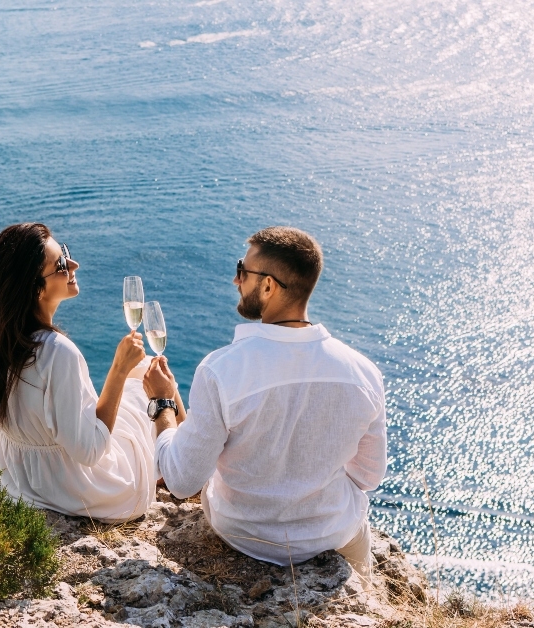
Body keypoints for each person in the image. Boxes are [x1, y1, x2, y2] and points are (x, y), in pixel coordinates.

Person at [0, 188, 168, 522]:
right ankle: (179, 471)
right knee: (151, 375)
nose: (74, 264)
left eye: (65, 253)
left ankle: (176, 465)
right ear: (35, 289)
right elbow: (90, 450)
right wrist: (119, 371)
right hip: (84, 491)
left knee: (142, 380)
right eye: (61, 265)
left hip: (19, 481)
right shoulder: (58, 353)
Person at [142, 226, 386, 582]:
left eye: (242, 270)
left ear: (269, 286)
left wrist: (162, 402)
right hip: (333, 534)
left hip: (242, 534)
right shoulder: (363, 373)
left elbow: (181, 481)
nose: (235, 280)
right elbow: (368, 476)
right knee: (368, 586)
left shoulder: (221, 369)